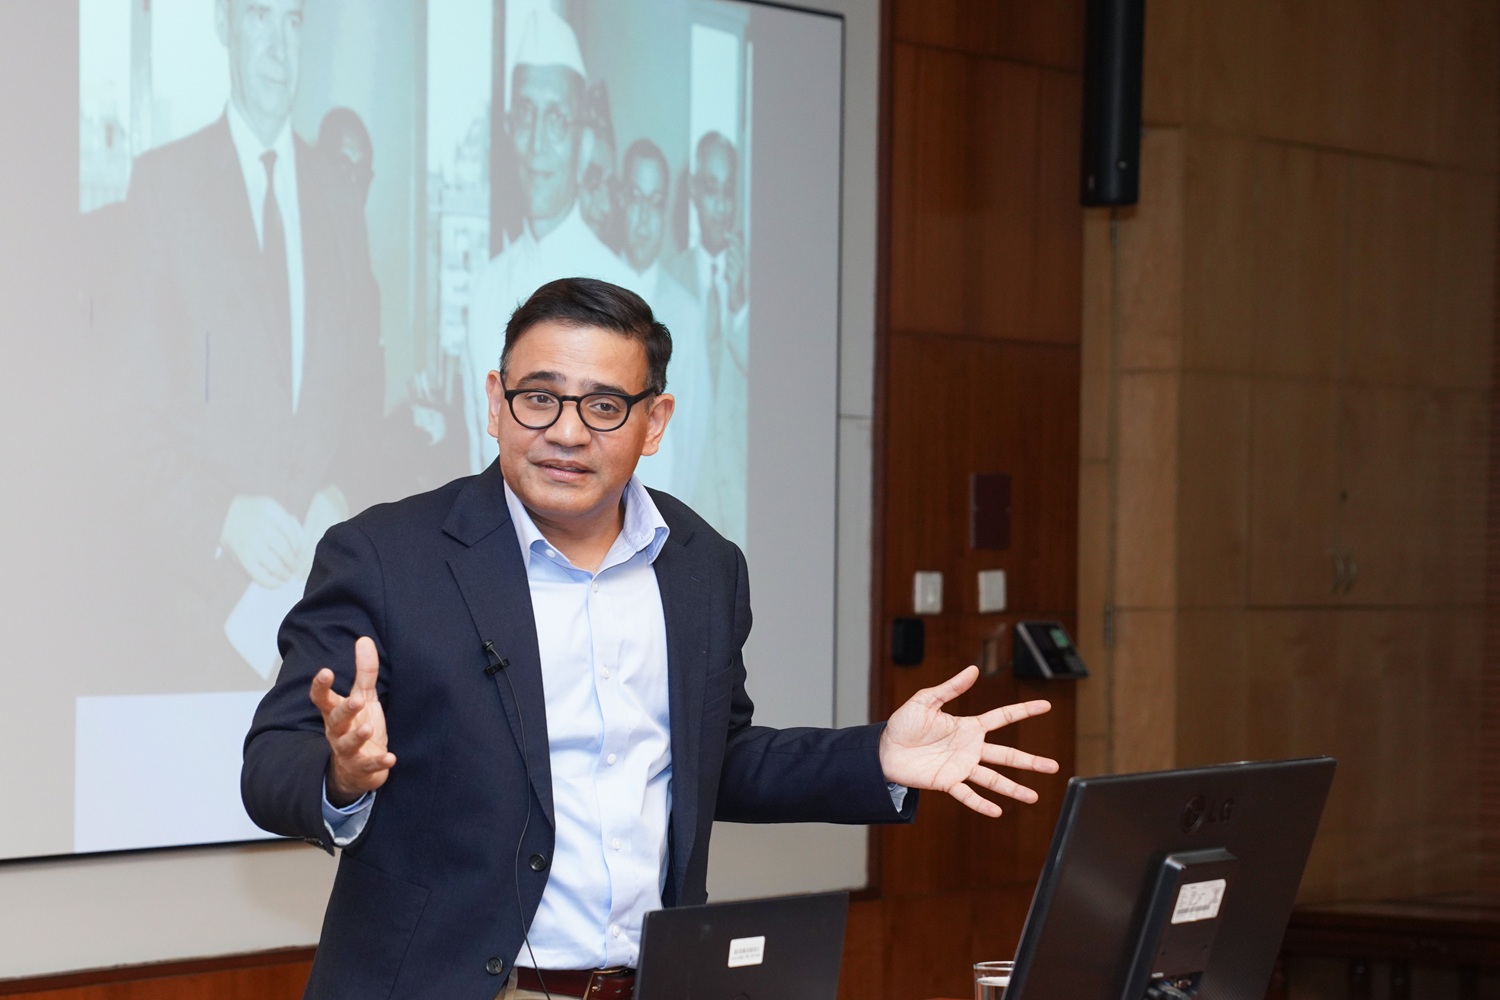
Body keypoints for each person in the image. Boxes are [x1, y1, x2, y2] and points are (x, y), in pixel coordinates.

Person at [242, 278, 1058, 1000]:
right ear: (495, 401)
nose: (566, 432)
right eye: (538, 397)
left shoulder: (701, 565)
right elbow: (272, 763)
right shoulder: (386, 555)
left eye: (603, 406)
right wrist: (343, 775)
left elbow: (714, 758)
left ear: (654, 420)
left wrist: (874, 756)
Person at [120, 0, 382, 678]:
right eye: (260, 18)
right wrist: (223, 520)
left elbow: (364, 396)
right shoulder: (163, 188)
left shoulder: (339, 197)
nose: (278, 48)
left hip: (320, 622)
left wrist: (342, 494)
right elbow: (130, 414)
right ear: (222, 24)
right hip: (198, 622)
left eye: (293, 22)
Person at [463, 7, 635, 475]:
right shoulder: (485, 287)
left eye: (557, 119)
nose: (538, 142)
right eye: (526, 115)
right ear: (509, 131)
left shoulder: (626, 290)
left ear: (582, 140)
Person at [664, 131, 748, 540]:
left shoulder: (758, 284)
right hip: (685, 491)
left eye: (728, 192)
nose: (720, 206)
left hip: (744, 492)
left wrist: (740, 306)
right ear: (695, 194)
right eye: (711, 189)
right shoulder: (668, 281)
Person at [618, 138, 709, 501]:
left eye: (655, 204)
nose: (644, 218)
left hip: (659, 497)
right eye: (636, 198)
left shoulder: (687, 311)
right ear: (621, 200)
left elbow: (692, 431)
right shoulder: (583, 295)